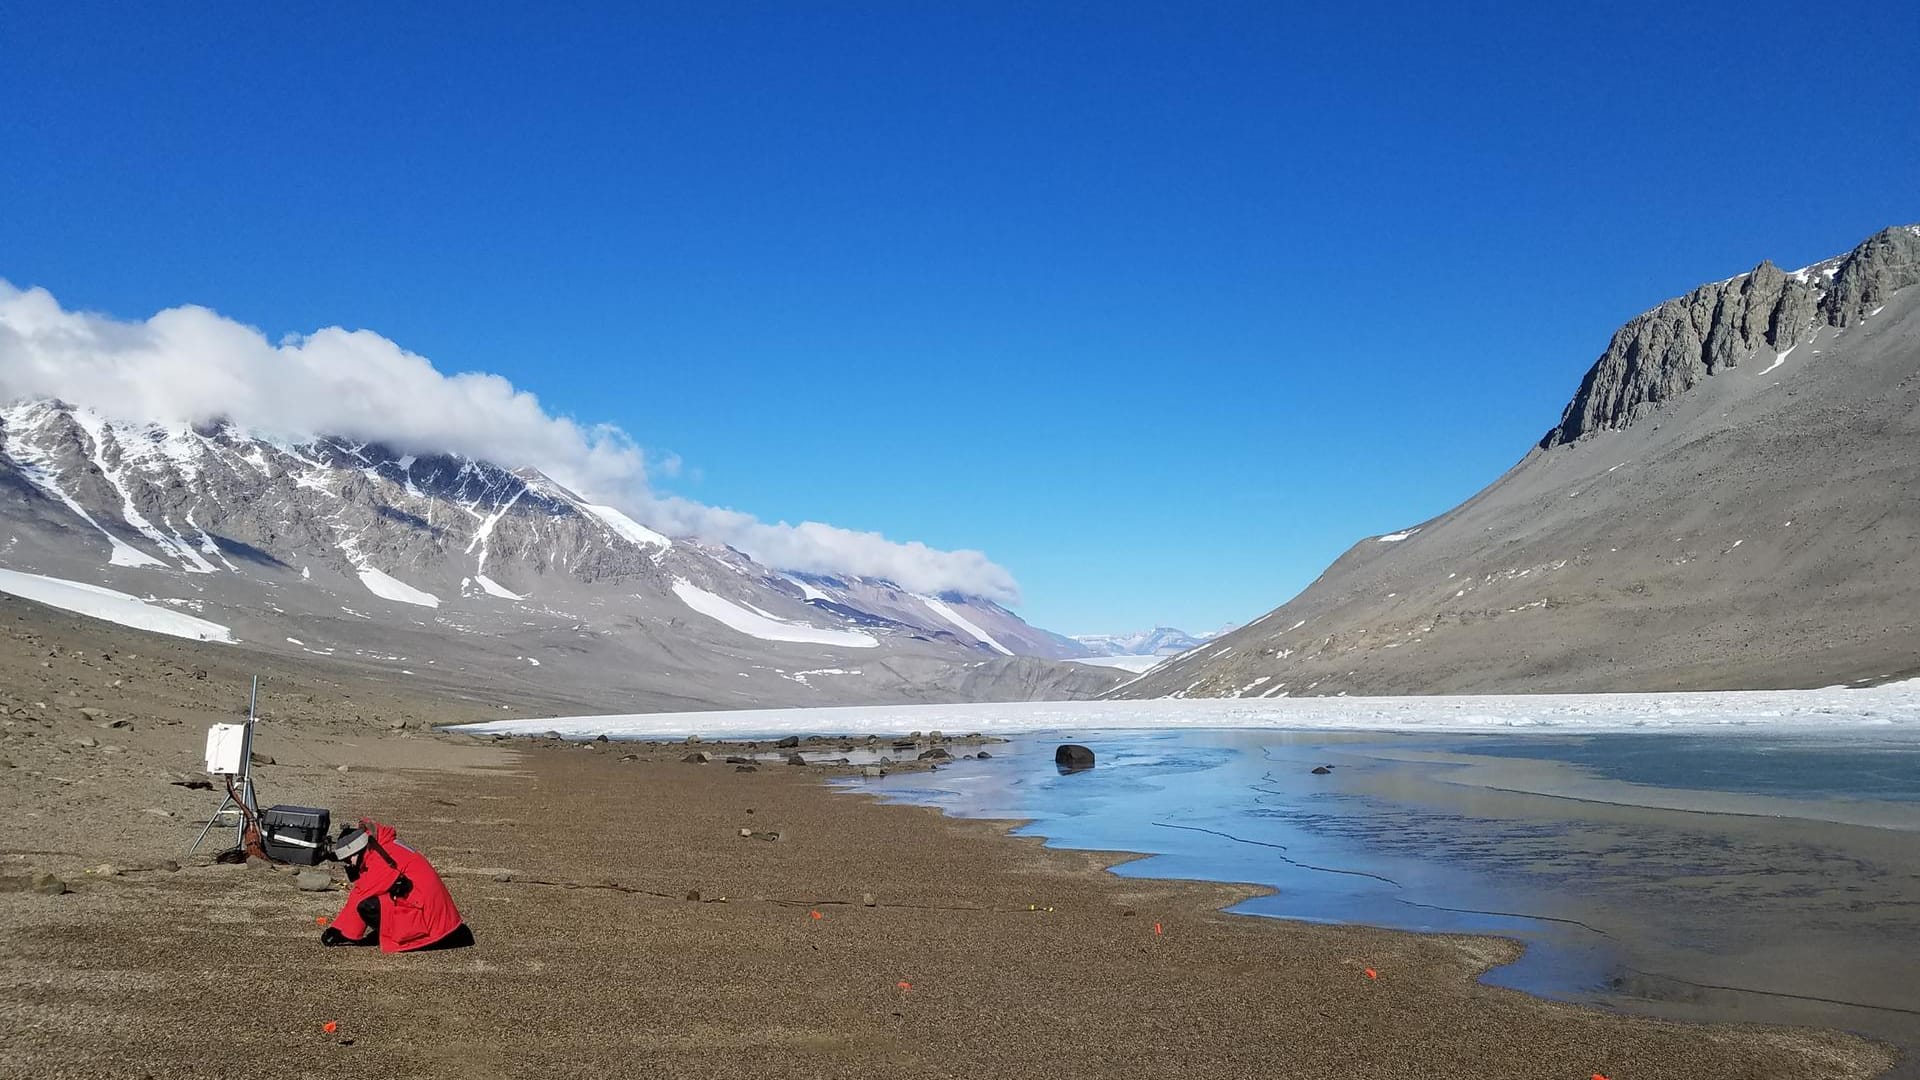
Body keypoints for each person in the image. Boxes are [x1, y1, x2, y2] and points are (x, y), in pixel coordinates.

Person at [320, 819, 472, 951]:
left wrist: (340, 932)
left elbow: (361, 893)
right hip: (441, 916)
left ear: (356, 852)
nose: (348, 865)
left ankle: (408, 936)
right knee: (377, 898)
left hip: (435, 926)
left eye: (347, 860)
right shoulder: (384, 846)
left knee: (367, 906)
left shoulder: (381, 859)